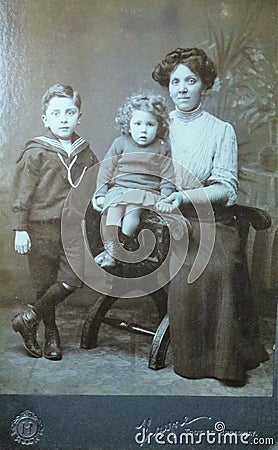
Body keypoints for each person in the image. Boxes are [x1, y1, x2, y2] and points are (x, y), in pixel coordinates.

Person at [152, 47, 269, 385]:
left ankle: (222, 361)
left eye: (191, 81)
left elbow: (226, 188)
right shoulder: (159, 126)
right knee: (187, 264)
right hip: (168, 219)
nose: (182, 88)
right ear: (168, 86)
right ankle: (191, 359)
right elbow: (147, 172)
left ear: (205, 86)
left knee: (219, 266)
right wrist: (164, 199)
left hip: (212, 220)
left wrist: (182, 197)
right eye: (176, 82)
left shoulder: (221, 130)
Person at [11, 84, 98, 361]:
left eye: (70, 112)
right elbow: (21, 194)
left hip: (72, 228)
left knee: (73, 278)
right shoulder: (36, 151)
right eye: (56, 113)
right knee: (43, 282)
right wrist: (20, 229)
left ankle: (29, 317)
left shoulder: (85, 152)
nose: (64, 119)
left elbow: (94, 185)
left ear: (79, 117)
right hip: (40, 227)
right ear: (45, 119)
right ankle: (51, 333)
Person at [92, 92, 176, 268]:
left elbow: (168, 177)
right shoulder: (120, 143)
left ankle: (117, 249)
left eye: (150, 124)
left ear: (159, 126)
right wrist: (100, 193)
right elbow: (105, 170)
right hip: (120, 188)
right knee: (111, 213)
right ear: (128, 125)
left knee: (132, 215)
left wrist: (166, 197)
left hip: (144, 191)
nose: (143, 129)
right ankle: (111, 250)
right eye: (138, 124)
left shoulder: (162, 148)